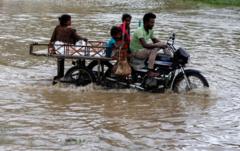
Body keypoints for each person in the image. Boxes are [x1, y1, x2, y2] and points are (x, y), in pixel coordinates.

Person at [49, 14, 88, 81]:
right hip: (67, 49)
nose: (71, 21)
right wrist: (84, 39)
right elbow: (78, 38)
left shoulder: (57, 27)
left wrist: (51, 47)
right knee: (82, 54)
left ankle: (60, 75)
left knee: (60, 59)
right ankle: (82, 72)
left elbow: (52, 39)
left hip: (58, 49)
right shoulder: (71, 30)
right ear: (66, 22)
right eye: (70, 20)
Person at [130, 12, 168, 77]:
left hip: (143, 50)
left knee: (162, 44)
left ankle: (168, 62)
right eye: (151, 22)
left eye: (153, 22)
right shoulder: (140, 30)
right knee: (154, 49)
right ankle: (150, 71)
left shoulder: (150, 30)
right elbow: (145, 45)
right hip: (136, 51)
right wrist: (158, 45)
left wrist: (164, 44)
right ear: (146, 22)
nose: (153, 24)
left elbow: (155, 40)